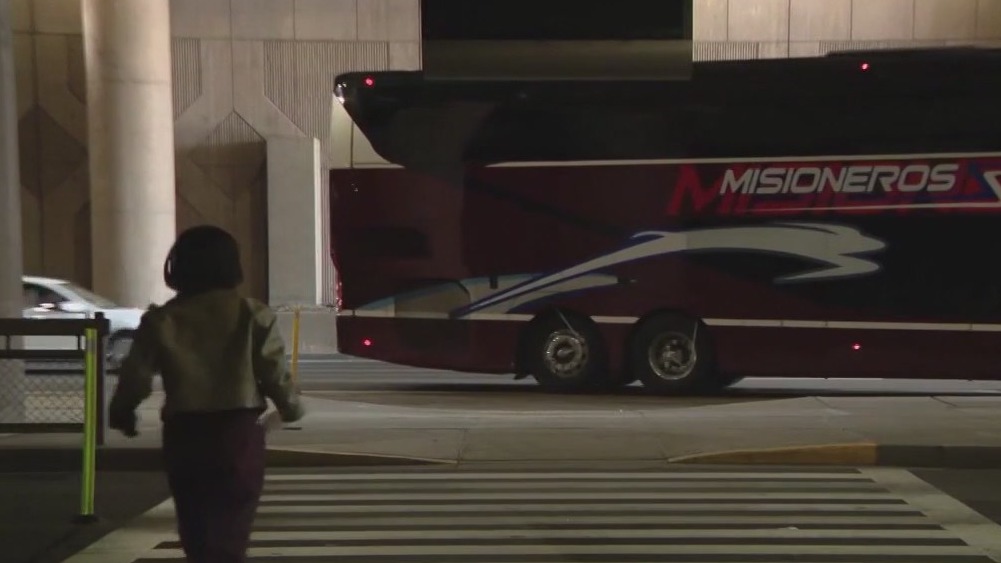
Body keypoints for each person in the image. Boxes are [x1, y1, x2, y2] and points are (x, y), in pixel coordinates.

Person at [108, 225, 305, 563]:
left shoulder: (163, 319)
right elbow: (274, 373)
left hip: (186, 432)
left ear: (177, 267)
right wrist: (291, 408)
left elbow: (135, 377)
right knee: (233, 520)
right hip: (237, 431)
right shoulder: (252, 314)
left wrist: (122, 412)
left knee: (196, 522)